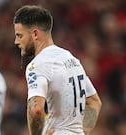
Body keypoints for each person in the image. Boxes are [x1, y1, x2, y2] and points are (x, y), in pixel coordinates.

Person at [13, 5, 102, 135]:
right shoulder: (72, 60)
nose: (16, 41)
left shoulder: (38, 65)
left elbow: (36, 110)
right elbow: (94, 102)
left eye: (20, 35)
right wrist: (83, 131)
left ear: (35, 34)